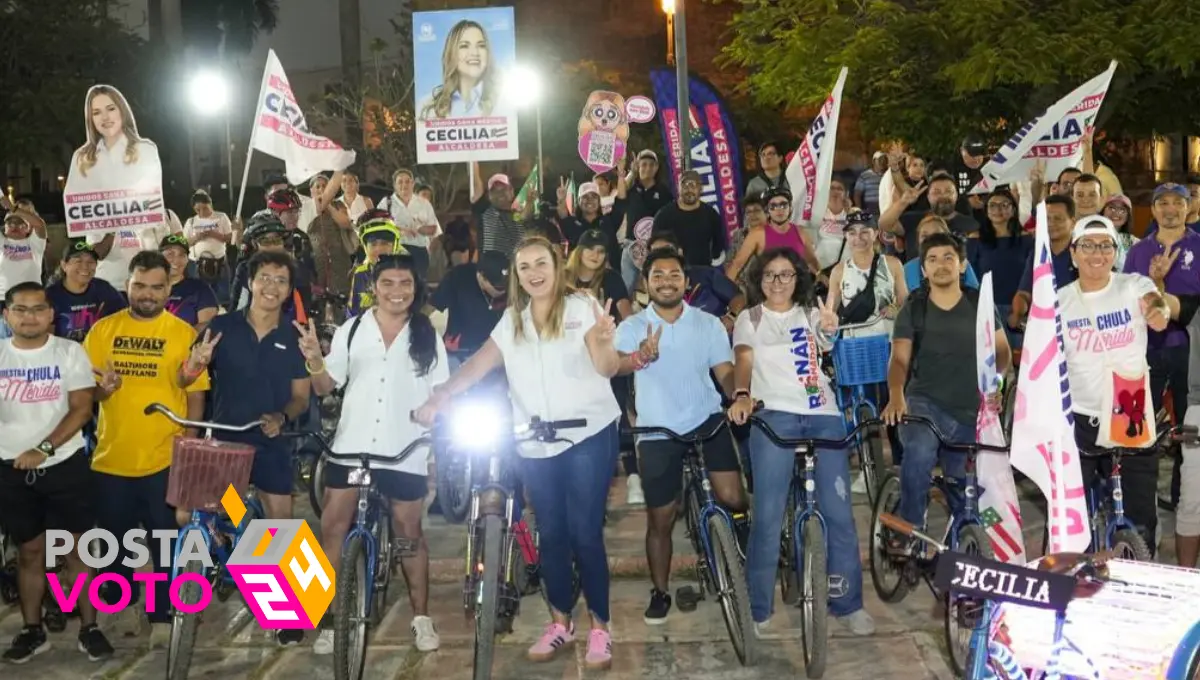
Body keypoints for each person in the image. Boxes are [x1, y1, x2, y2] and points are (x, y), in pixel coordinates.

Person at [414, 236, 621, 670]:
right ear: (517, 276)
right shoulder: (512, 320)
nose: (533, 273)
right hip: (534, 442)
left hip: (588, 436)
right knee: (552, 535)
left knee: (584, 533)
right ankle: (560, 622)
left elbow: (606, 368)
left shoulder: (582, 309)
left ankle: (601, 627)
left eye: (540, 263)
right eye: (524, 266)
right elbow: (478, 364)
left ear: (557, 265)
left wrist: (604, 340)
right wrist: (442, 394)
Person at [301, 253, 448, 654]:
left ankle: (421, 617)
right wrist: (315, 360)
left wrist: (435, 415)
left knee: (409, 533)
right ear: (374, 288)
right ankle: (330, 620)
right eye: (388, 283)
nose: (396, 292)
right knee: (332, 526)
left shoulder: (427, 335)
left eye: (405, 284)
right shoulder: (352, 330)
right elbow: (324, 386)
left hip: (405, 449)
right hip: (352, 448)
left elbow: (441, 390)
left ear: (416, 290)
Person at [726, 247, 875, 636]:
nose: (778, 282)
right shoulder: (749, 318)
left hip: (822, 415)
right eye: (770, 275)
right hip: (773, 415)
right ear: (760, 280)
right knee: (769, 516)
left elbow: (826, 340)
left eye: (786, 274)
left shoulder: (812, 315)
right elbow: (743, 358)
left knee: (839, 514)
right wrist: (742, 394)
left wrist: (828, 327)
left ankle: (848, 603)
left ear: (798, 279)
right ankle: (758, 609)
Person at [82, 251, 214, 642]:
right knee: (113, 545)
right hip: (110, 457)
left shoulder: (182, 333)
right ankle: (122, 608)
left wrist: (187, 448)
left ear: (169, 289)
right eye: (140, 285)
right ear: (128, 284)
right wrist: (100, 391)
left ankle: (159, 615)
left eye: (157, 287)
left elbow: (195, 395)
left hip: (163, 458)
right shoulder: (102, 331)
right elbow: (86, 392)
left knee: (163, 542)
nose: (147, 294)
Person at [614, 247, 747, 623]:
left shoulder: (706, 324)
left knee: (733, 497)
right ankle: (660, 591)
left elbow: (724, 369)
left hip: (706, 419)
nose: (667, 281)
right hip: (656, 430)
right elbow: (616, 367)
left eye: (674, 274)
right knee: (661, 519)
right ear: (646, 283)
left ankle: (741, 548)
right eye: (658, 275)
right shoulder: (632, 327)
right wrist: (639, 356)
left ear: (686, 282)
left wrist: (737, 393)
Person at [0, 282, 114, 664]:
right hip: (11, 469)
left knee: (78, 549)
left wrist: (43, 449)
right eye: (20, 309)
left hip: (63, 465)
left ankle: (89, 627)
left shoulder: (69, 352)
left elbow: (81, 408)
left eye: (37, 309)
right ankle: (33, 631)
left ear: (51, 314)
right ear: (7, 314)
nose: (29, 316)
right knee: (30, 552)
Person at [882, 233, 1011, 553]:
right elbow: (899, 359)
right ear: (923, 269)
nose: (941, 265)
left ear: (962, 264)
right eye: (933, 259)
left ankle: (966, 546)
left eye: (948, 258)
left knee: (964, 489)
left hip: (970, 409)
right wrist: (896, 394)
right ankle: (911, 528)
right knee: (919, 455)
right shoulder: (914, 307)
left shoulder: (979, 303)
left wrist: (997, 382)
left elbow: (1002, 351)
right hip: (925, 404)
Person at [1058, 216, 1172, 555]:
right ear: (1074, 253)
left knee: (1139, 516)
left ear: (1115, 251)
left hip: (1129, 412)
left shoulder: (1132, 284)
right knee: (1071, 514)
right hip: (1079, 418)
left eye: (1105, 245)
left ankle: (1140, 573)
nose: (1098, 253)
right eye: (1088, 245)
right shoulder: (1059, 301)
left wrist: (1157, 311)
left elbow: (1156, 303)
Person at [1125, 183, 1200, 513]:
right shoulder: (1138, 252)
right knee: (1140, 427)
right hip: (1147, 351)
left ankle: (1184, 496)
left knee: (1189, 430)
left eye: (1177, 203)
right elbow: (1128, 300)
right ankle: (1142, 499)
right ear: (1153, 210)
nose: (1170, 209)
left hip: (1191, 352)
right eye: (1163, 203)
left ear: (1189, 208)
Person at [827, 213, 907, 338]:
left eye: (864, 232)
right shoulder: (839, 271)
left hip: (888, 340)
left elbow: (905, 303)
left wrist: (895, 310)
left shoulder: (892, 264)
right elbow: (829, 312)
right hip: (854, 345)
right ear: (845, 236)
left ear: (875, 234)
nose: (858, 238)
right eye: (852, 233)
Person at [1009, 195, 1078, 330]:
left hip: (1078, 327)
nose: (1050, 224)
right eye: (1046, 219)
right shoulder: (1037, 253)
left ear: (1073, 222)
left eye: (1057, 218)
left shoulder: (1084, 252)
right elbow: (1024, 293)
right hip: (1043, 327)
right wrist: (1017, 313)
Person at [430, 249, 506, 369]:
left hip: (494, 352)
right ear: (481, 277)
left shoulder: (514, 285)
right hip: (459, 351)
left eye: (506, 286)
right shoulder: (458, 278)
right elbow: (432, 307)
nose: (503, 291)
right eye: (498, 287)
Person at [726, 187, 819, 282]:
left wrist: (821, 276)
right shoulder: (757, 234)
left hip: (798, 289)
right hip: (770, 290)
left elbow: (812, 262)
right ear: (767, 211)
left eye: (783, 205)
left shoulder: (801, 232)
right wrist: (726, 292)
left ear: (790, 208)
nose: (779, 210)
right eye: (773, 206)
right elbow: (736, 265)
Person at [881, 171, 980, 261]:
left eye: (949, 191)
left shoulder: (971, 225)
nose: (943, 196)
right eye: (937, 192)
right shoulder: (913, 220)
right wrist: (903, 202)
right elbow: (885, 225)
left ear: (957, 195)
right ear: (928, 197)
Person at [418, 19, 501, 120]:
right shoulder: (428, 107)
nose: (474, 53)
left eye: (481, 45)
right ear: (451, 53)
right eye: (464, 46)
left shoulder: (503, 102)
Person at [969, 191, 1031, 323]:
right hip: (985, 308)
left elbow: (1031, 275)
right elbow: (970, 276)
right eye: (992, 205)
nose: (998, 209)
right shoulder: (975, 239)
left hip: (1020, 309)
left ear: (1013, 209)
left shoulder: (1027, 239)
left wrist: (1021, 310)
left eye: (1004, 205)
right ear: (986, 210)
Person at [46, 239, 127, 341]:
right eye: (78, 261)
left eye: (91, 261)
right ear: (64, 265)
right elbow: (47, 339)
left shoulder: (103, 289)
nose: (85, 266)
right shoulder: (51, 295)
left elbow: (124, 318)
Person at [559, 160, 629, 269]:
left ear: (599, 200)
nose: (590, 200)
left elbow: (621, 200)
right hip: (579, 280)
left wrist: (620, 175)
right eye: (585, 197)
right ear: (578, 202)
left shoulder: (608, 221)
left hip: (609, 278)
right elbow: (563, 216)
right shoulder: (573, 223)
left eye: (594, 196)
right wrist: (562, 200)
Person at [652, 171, 727, 268]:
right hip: (672, 271)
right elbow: (655, 247)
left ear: (701, 189)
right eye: (684, 185)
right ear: (678, 188)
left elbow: (718, 248)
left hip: (703, 271)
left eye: (693, 185)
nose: (689, 190)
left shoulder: (711, 214)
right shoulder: (663, 215)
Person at [379, 168, 441, 278]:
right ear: (394, 185)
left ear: (413, 184)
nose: (404, 185)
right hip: (395, 250)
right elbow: (379, 228)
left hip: (419, 252)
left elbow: (433, 229)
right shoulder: (386, 203)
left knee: (418, 286)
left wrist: (419, 228)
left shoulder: (423, 203)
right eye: (400, 182)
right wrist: (401, 231)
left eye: (407, 181)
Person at [0, 209, 49, 339]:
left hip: (32, 301)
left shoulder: (35, 244)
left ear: (28, 228)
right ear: (4, 228)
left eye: (20, 223)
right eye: (10, 223)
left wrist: (14, 208)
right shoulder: (1, 243)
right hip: (3, 303)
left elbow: (40, 225)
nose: (14, 226)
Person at [565, 229, 633, 320]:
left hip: (604, 331)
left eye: (601, 251)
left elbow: (627, 314)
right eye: (590, 248)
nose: (595, 254)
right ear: (579, 251)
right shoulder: (562, 276)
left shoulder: (612, 277)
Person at [348, 216, 408, 318]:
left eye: (385, 243)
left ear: (395, 246)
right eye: (373, 244)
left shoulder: (405, 274)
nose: (379, 249)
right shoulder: (360, 274)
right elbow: (352, 312)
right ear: (366, 248)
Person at [907, 215, 983, 292]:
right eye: (925, 236)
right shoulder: (907, 268)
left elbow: (974, 293)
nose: (930, 240)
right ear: (917, 240)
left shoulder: (961, 263)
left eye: (937, 235)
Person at [182, 190, 233, 304]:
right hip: (197, 264)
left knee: (222, 294)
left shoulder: (221, 217)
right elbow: (184, 243)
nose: (201, 212)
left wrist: (214, 234)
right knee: (199, 295)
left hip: (219, 262)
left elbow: (230, 238)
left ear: (211, 204)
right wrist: (197, 237)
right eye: (197, 210)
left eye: (205, 208)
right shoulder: (191, 222)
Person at [159, 234, 218, 330]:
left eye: (182, 255)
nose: (176, 260)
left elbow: (209, 326)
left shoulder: (200, 289)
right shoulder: (147, 288)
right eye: (170, 254)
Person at [470, 164, 532, 255]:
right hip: (491, 268)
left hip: (515, 266)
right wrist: (473, 157)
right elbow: (476, 184)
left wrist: (530, 202)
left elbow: (524, 217)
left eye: (503, 189)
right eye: (494, 191)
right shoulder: (485, 211)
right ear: (489, 195)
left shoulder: (516, 215)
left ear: (511, 191)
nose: (499, 194)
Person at [1102, 194, 1138, 272]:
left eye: (1122, 210)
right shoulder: (1092, 236)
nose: (1116, 213)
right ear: (1103, 211)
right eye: (1111, 208)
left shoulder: (1131, 241)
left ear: (1128, 216)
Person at [855, 152, 888, 216]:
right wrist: (859, 210)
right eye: (880, 160)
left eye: (884, 160)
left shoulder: (887, 175)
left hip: (885, 207)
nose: (883, 162)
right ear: (873, 161)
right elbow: (857, 194)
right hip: (870, 208)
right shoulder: (864, 175)